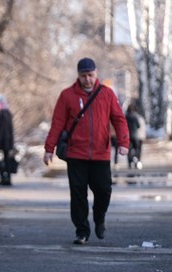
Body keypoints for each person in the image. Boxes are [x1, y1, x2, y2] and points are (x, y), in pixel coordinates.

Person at [43, 57, 129, 245]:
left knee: (104, 190)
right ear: (78, 76)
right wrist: (49, 148)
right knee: (78, 193)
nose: (87, 79)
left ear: (96, 73)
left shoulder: (106, 94)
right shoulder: (67, 96)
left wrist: (123, 142)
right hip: (76, 154)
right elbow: (57, 124)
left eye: (90, 75)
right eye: (84, 76)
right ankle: (82, 231)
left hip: (100, 153)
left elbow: (119, 119)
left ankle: (99, 218)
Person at [0, 93, 15, 185]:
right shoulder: (8, 113)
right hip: (8, 141)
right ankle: (7, 178)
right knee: (6, 159)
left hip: (1, 141)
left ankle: (3, 176)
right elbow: (10, 129)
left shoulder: (0, 114)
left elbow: (0, 129)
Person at [125, 99, 145, 169]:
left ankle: (130, 162)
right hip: (135, 135)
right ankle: (136, 159)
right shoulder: (135, 117)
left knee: (129, 150)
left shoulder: (126, 117)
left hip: (128, 136)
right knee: (137, 149)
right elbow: (138, 126)